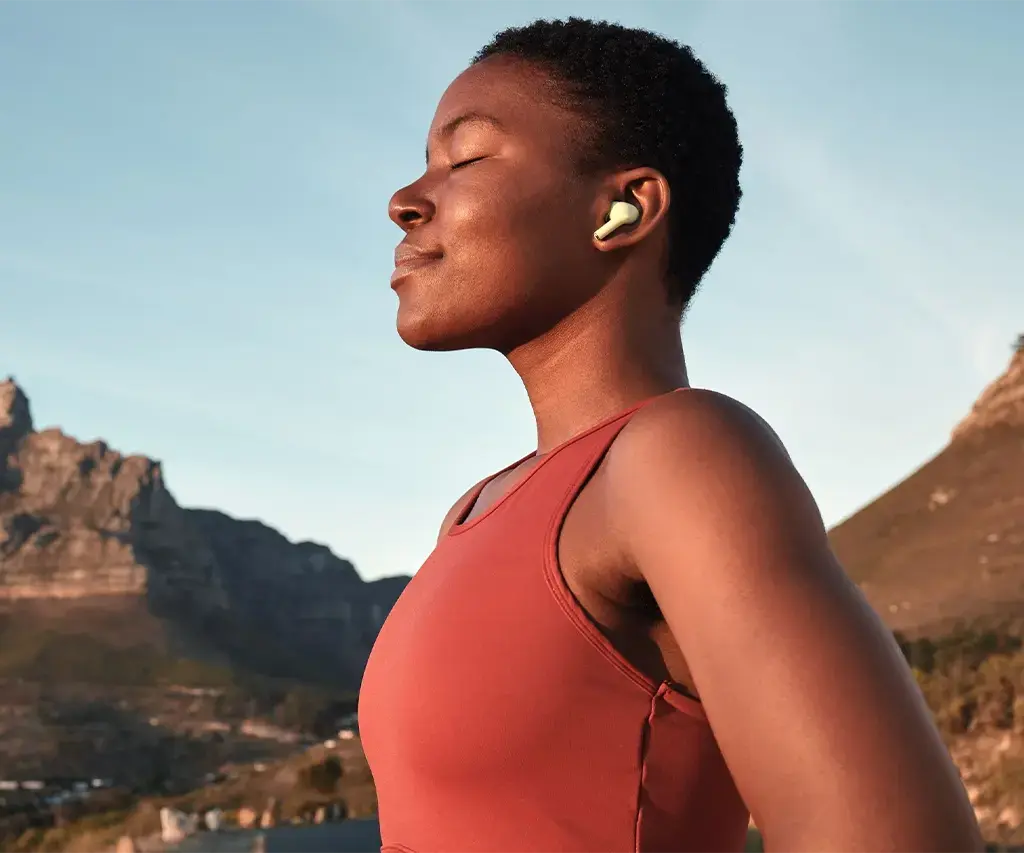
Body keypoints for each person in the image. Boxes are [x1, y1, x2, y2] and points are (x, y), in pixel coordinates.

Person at [358, 17, 982, 853]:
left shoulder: (678, 455)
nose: (406, 200)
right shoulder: (475, 512)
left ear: (623, 210)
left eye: (464, 157)